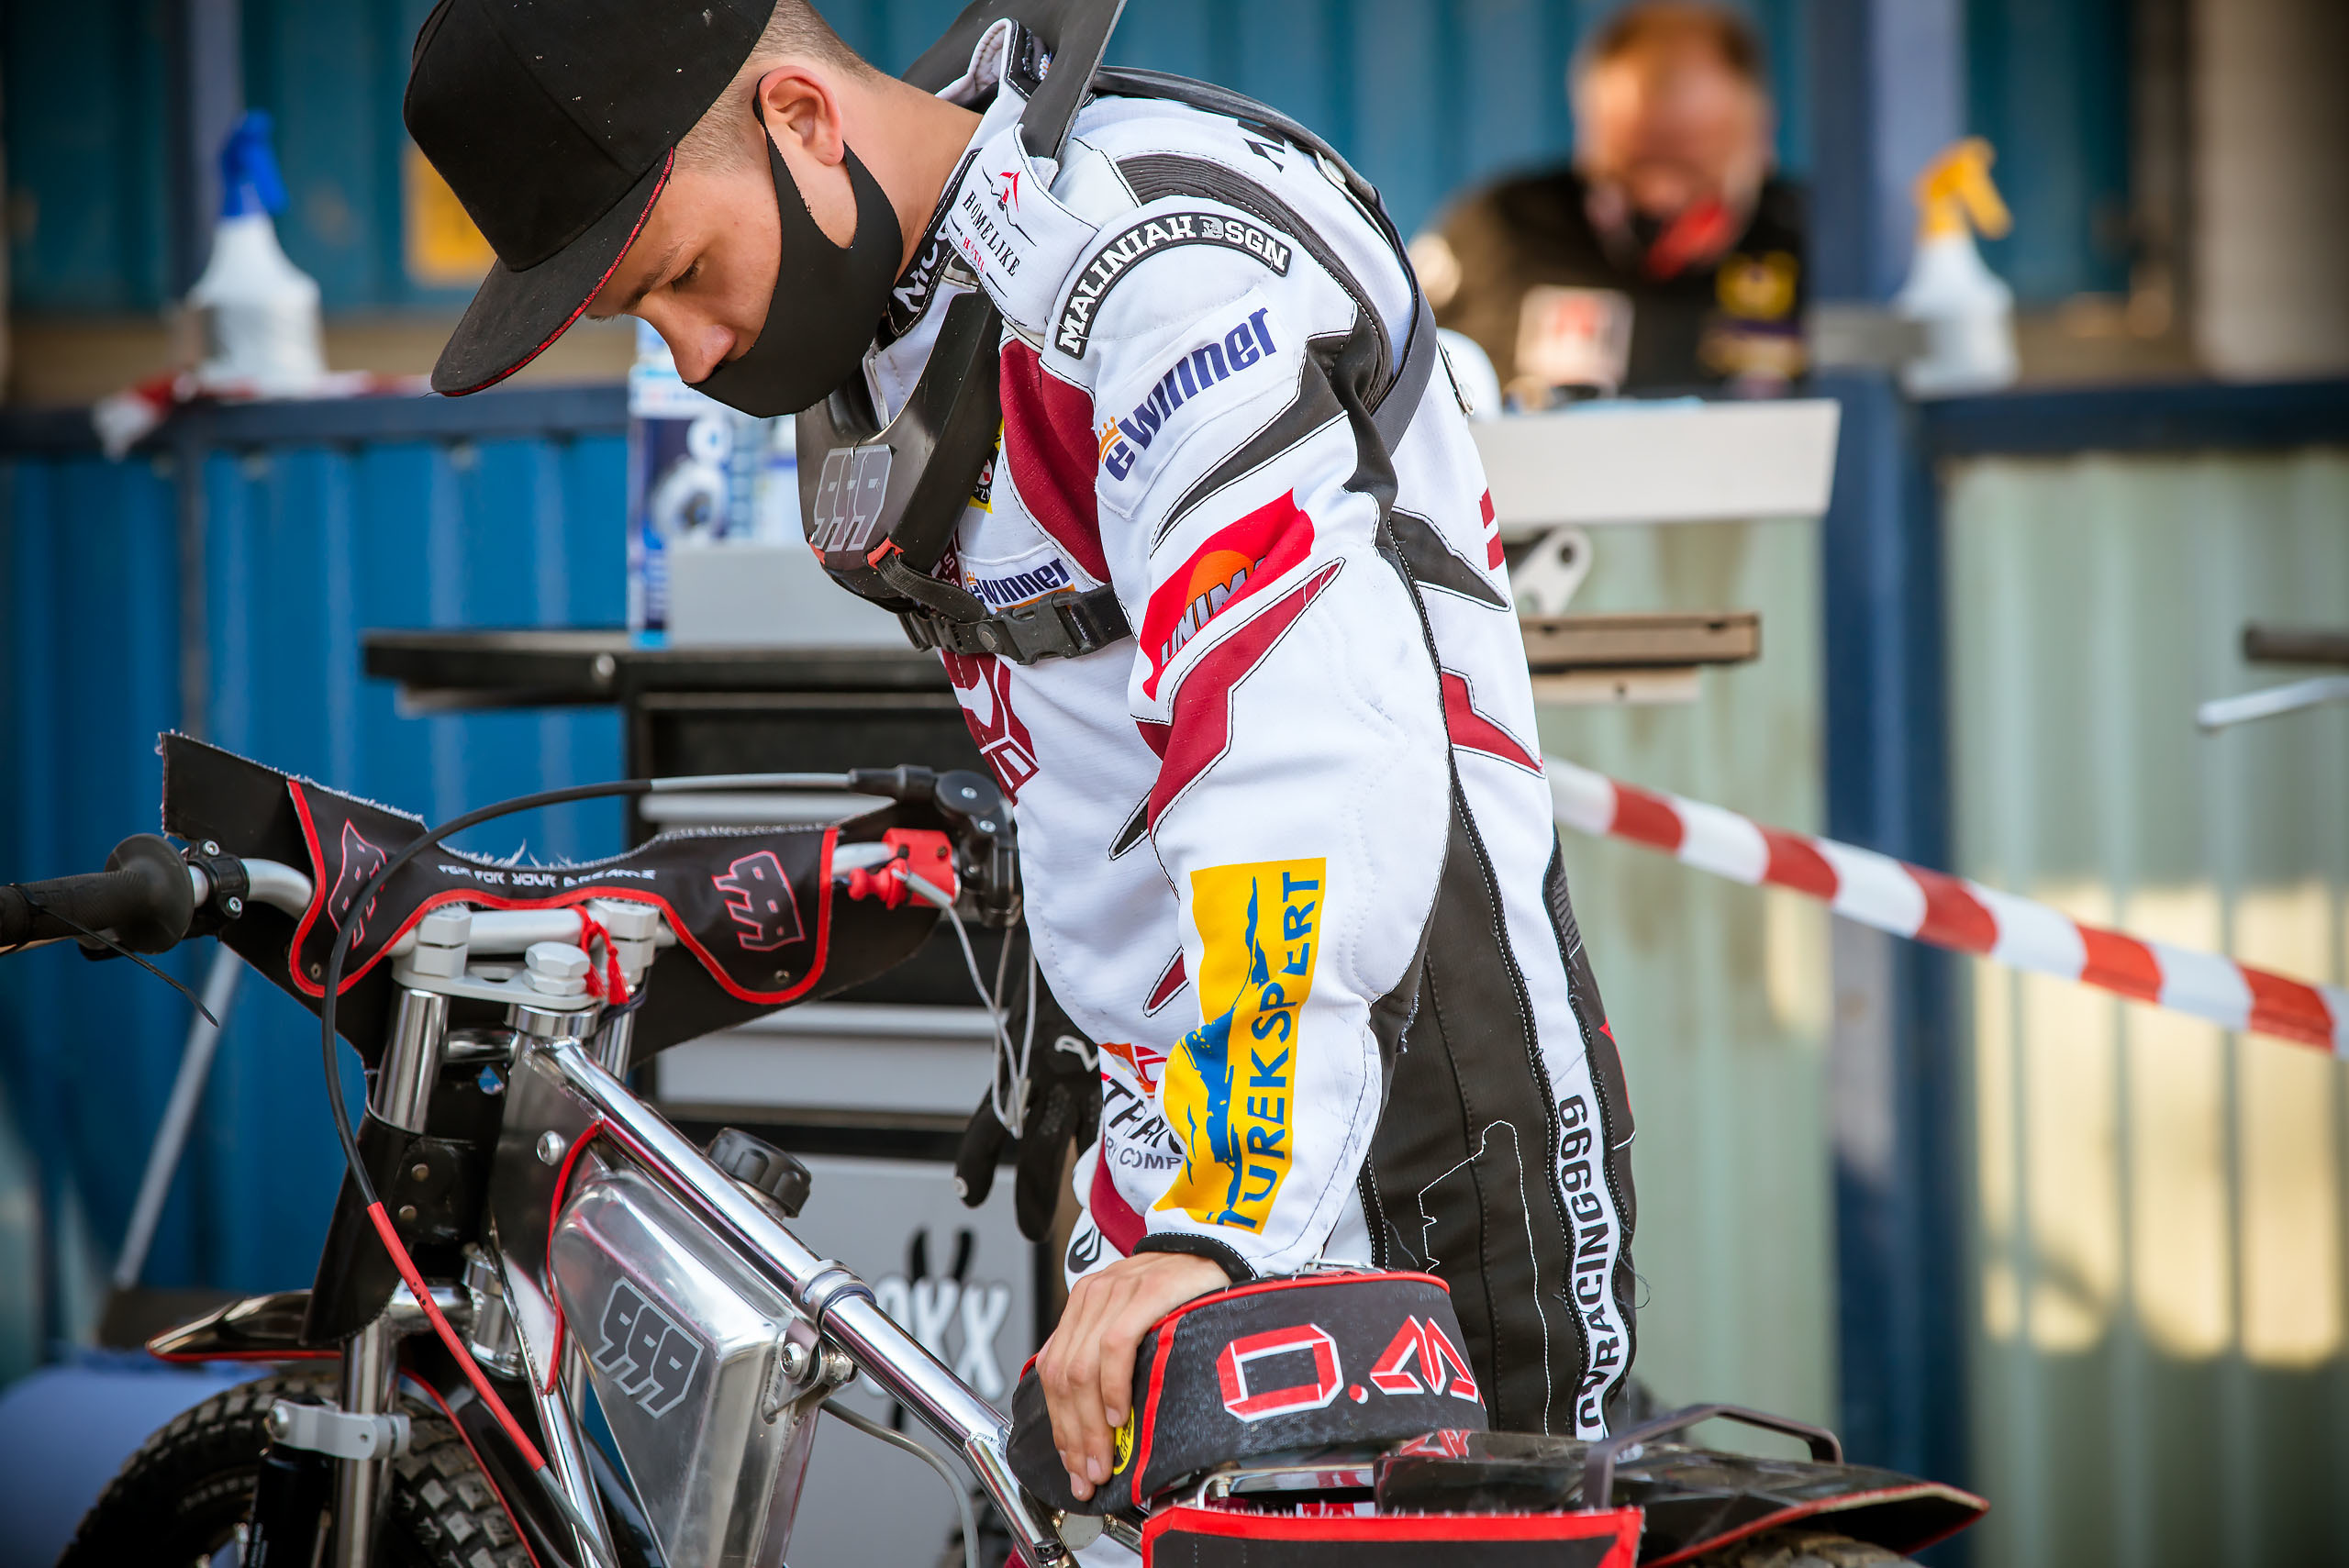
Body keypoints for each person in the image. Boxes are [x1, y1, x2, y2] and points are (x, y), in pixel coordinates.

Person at [404, 0, 1638, 1502]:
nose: (697, 348)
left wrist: (1214, 1215)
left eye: (681, 278)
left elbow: (1296, 760)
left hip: (1397, 1080)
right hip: (1161, 1117)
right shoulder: (905, 310)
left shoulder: (1160, 270)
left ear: (801, 117)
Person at [1416, 0, 1807, 400]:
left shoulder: (1825, 243)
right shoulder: (1497, 230)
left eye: (1690, 165)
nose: (1658, 197)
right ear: (1589, 131)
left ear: (1760, 140)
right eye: (1631, 166)